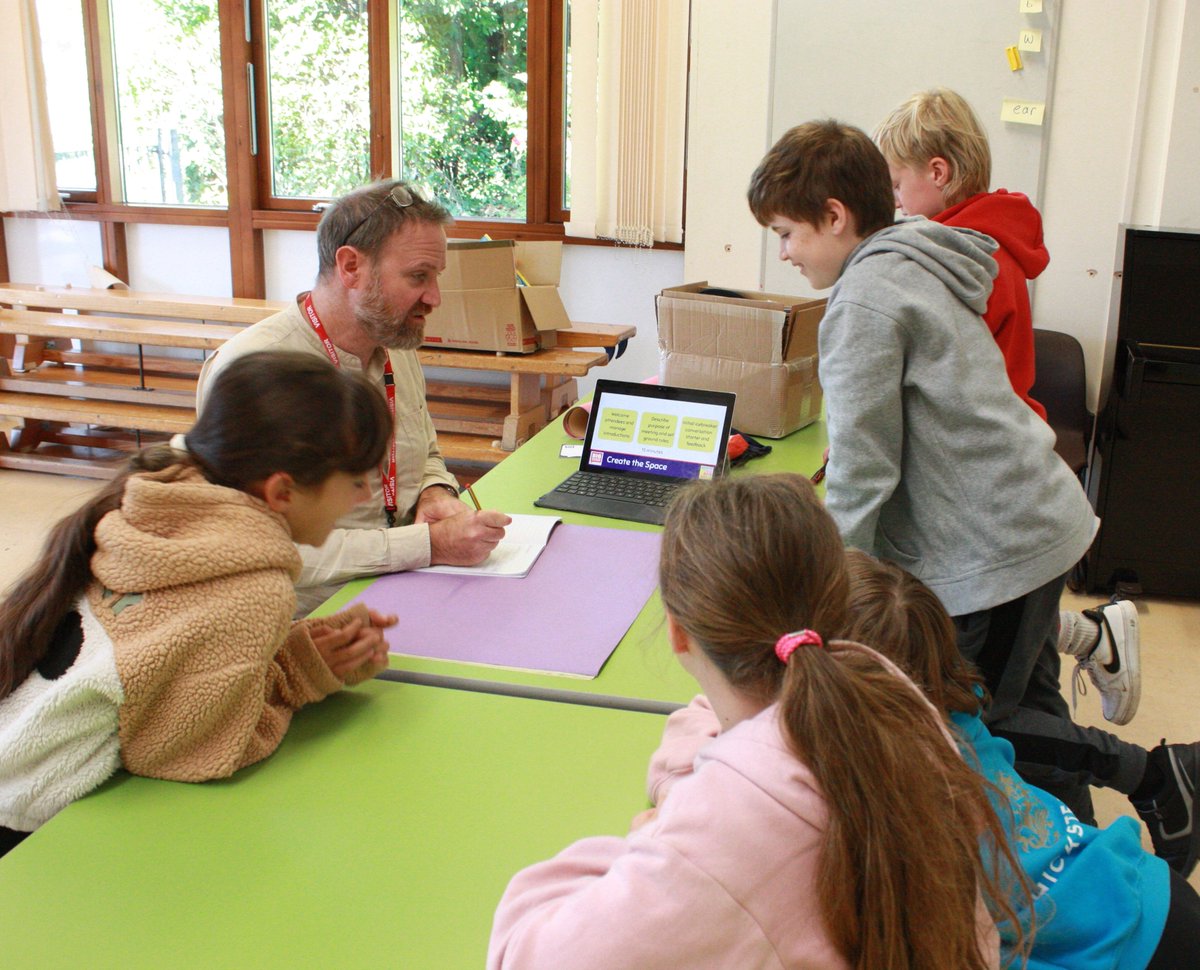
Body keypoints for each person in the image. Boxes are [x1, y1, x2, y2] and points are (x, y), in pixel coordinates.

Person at [745, 120, 1199, 873]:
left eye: (788, 233)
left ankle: (1159, 778)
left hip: (995, 542)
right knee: (1030, 711)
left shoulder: (864, 300)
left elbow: (866, 469)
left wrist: (833, 586)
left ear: (835, 216)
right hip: (1029, 518)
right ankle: (1097, 858)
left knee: (964, 725)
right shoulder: (912, 261)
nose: (785, 252)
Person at [489, 474, 1023, 970]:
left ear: (677, 633)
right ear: (837, 608)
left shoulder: (724, 833)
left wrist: (654, 840)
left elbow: (525, 954)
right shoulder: (887, 696)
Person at [0, 351, 396, 858]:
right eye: (356, 481)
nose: (364, 498)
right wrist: (298, 673)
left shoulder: (158, 495)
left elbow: (165, 664)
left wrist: (287, 651)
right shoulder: (255, 589)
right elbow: (186, 750)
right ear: (282, 491)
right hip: (31, 829)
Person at [875, 87, 1141, 728]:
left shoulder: (965, 261)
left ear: (937, 173)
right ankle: (1090, 647)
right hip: (1010, 482)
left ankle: (1092, 801)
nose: (893, 200)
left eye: (897, 181)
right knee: (1023, 685)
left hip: (998, 489)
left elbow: (943, 390)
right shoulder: (985, 246)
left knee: (991, 705)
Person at [840, 551, 1200, 970]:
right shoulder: (963, 715)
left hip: (1125, 954)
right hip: (1151, 889)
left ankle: (1155, 774)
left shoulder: (896, 804)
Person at [197, 179, 510, 615]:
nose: (434, 298)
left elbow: (426, 452)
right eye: (418, 276)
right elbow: (261, 550)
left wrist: (435, 492)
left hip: (407, 588)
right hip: (305, 623)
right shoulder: (255, 370)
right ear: (350, 267)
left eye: (435, 278)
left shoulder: (395, 346)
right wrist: (426, 544)